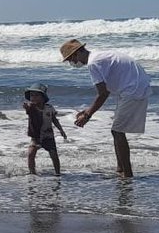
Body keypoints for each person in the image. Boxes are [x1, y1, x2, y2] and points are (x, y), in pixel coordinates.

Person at [59, 39, 151, 178]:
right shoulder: (99, 55)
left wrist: (88, 115)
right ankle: (120, 169)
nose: (72, 63)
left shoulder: (93, 63)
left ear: (77, 53)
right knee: (117, 131)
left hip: (133, 89)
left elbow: (103, 93)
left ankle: (127, 174)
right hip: (134, 86)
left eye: (71, 59)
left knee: (117, 131)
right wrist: (89, 110)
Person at [23, 83, 67, 175]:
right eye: (31, 95)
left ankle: (58, 173)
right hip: (36, 136)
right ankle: (32, 172)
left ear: (43, 97)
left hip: (48, 136)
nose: (33, 98)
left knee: (54, 155)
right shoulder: (32, 108)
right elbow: (28, 109)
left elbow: (54, 120)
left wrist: (61, 130)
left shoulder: (49, 108)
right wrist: (26, 107)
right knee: (31, 154)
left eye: (36, 95)